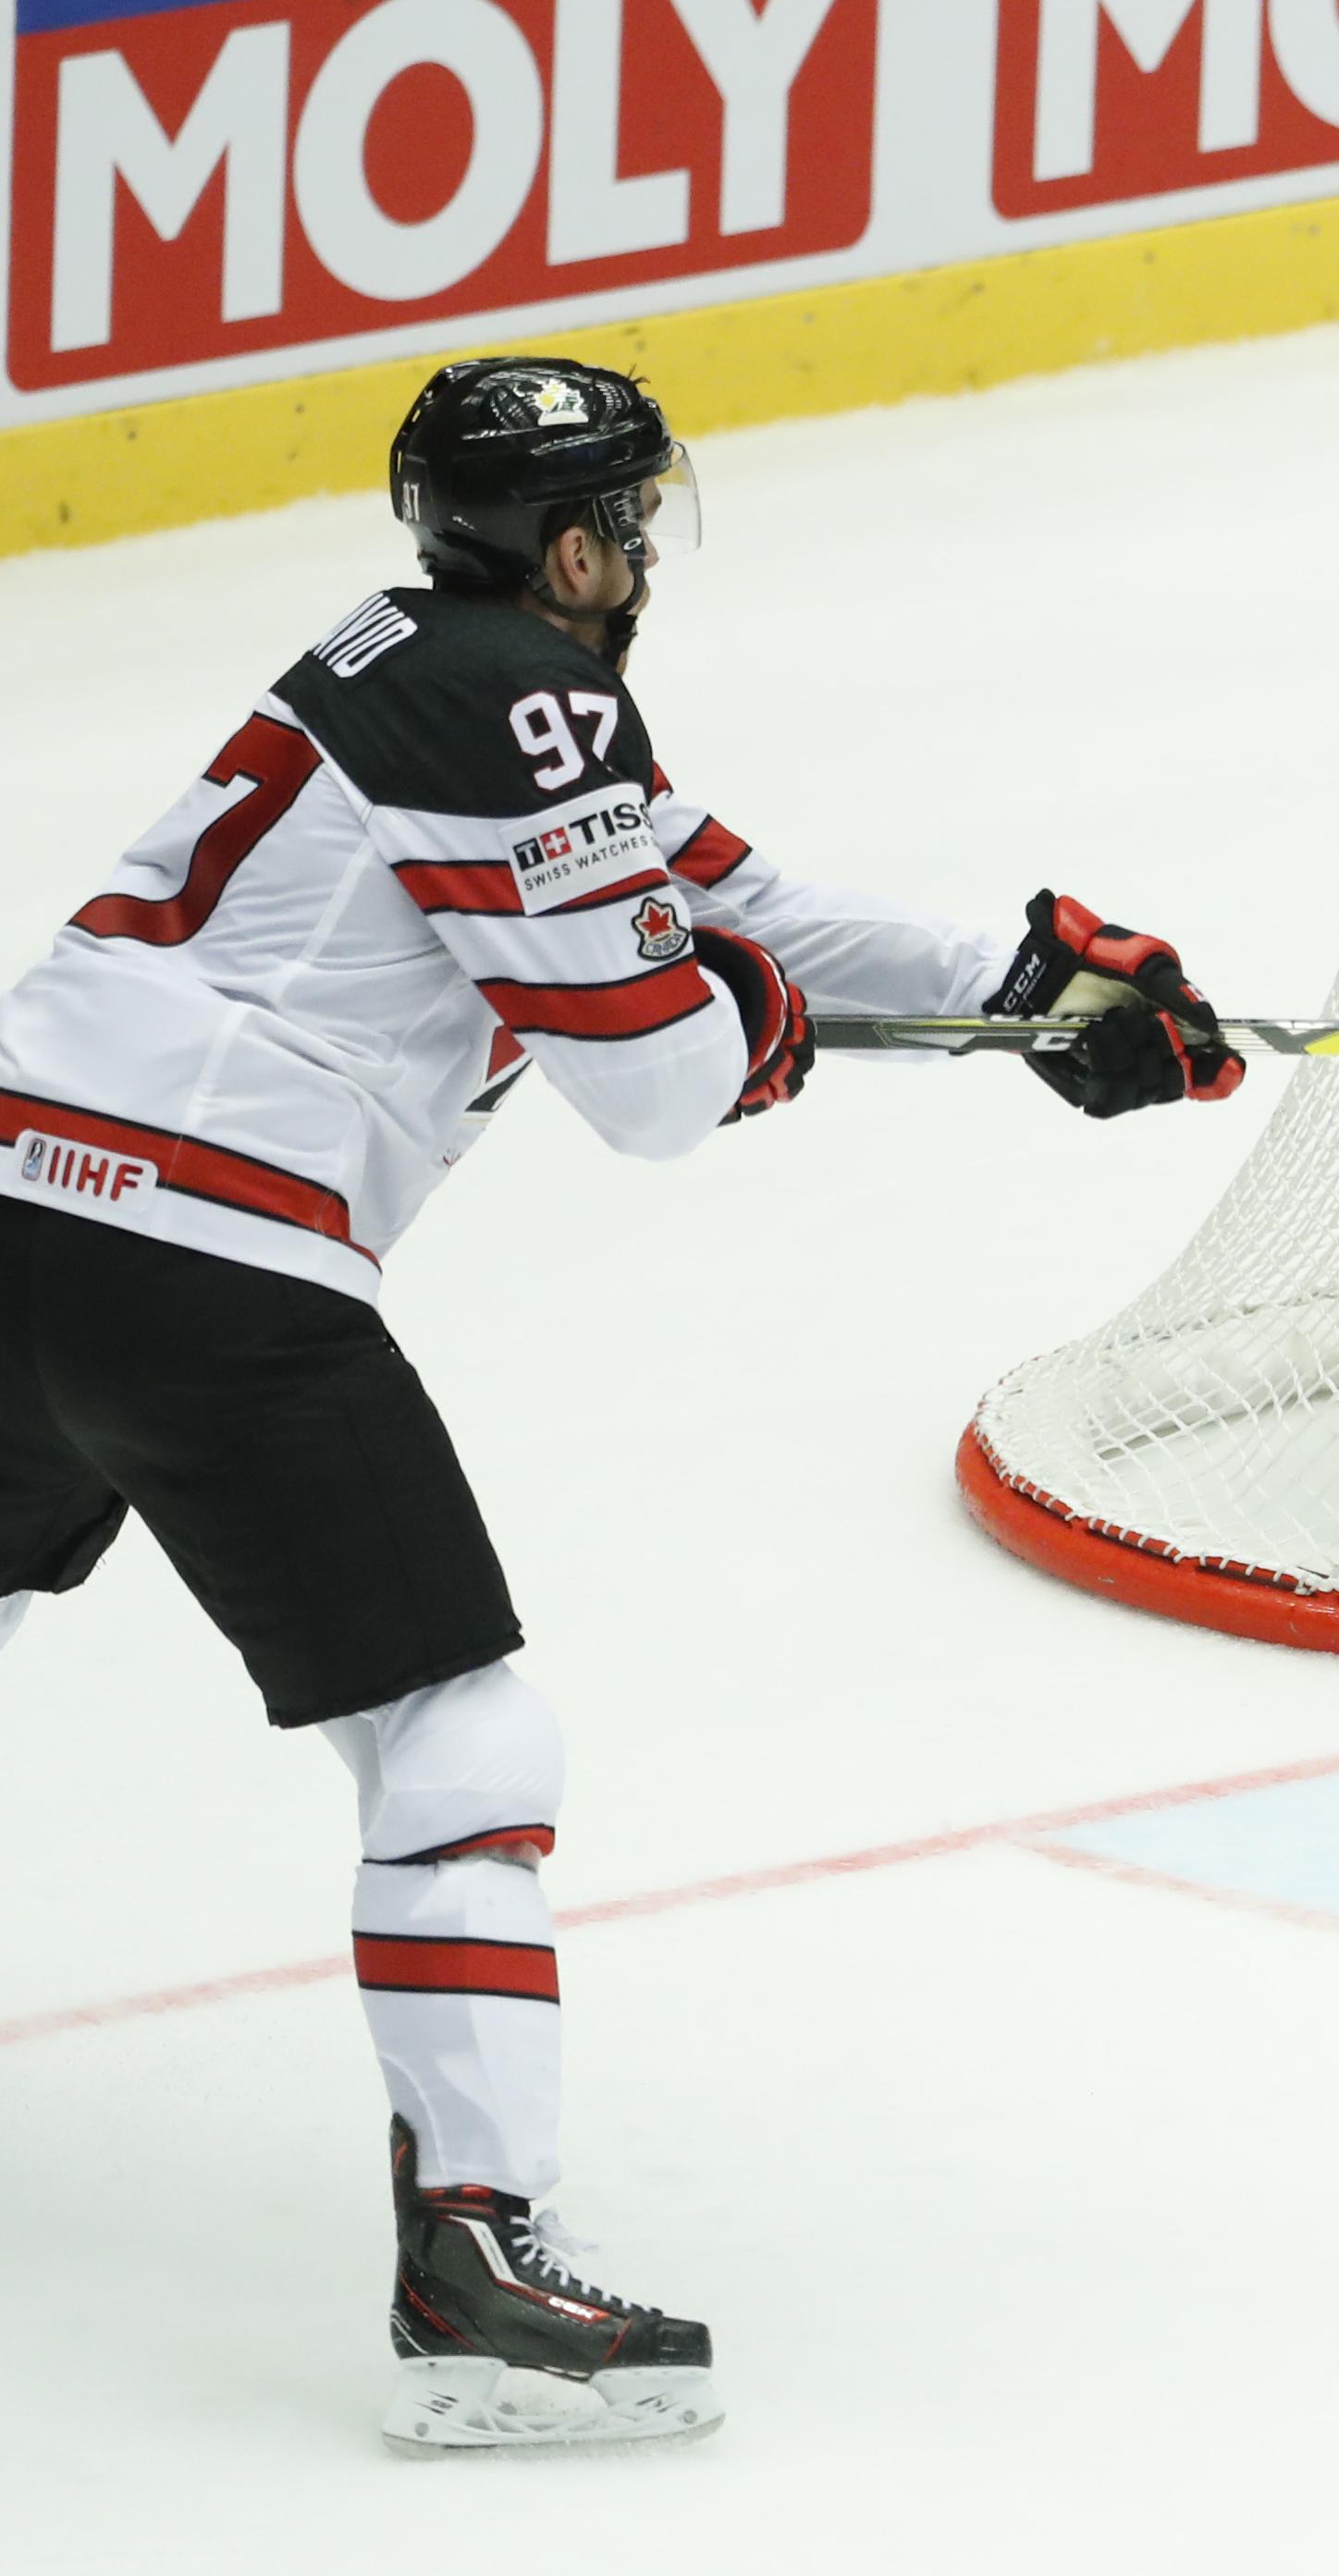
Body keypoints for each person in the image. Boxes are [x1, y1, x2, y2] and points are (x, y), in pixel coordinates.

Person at [0, 357, 1243, 2451]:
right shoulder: (537, 699)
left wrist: (1019, 982)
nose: (645, 560)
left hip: (22, 1198)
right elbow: (662, 1075)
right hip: (212, 1265)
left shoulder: (410, 660)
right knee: (459, 1730)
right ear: (576, 544)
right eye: (632, 525)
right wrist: (759, 1026)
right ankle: (473, 2255)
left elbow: (715, 902)